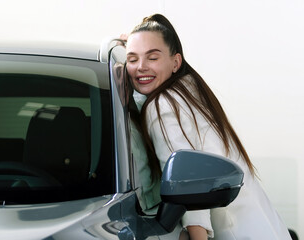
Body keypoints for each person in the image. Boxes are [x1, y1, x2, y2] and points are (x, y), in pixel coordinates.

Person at [124, 14, 292, 240]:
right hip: (267, 227)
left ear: (176, 62)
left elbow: (188, 185)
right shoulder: (188, 90)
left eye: (152, 57)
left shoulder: (163, 106)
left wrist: (196, 236)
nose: (141, 67)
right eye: (132, 59)